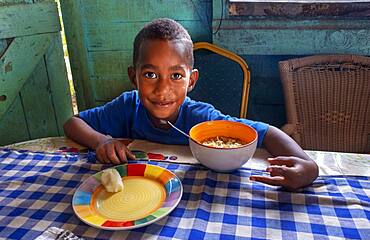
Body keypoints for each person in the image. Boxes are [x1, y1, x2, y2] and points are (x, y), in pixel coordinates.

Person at [63, 18, 318, 191]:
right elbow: (73, 123)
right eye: (150, 75)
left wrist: (308, 165)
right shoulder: (129, 107)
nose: (163, 90)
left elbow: (267, 132)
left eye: (176, 76)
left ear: (191, 80)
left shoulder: (202, 119)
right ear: (134, 78)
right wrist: (101, 141)